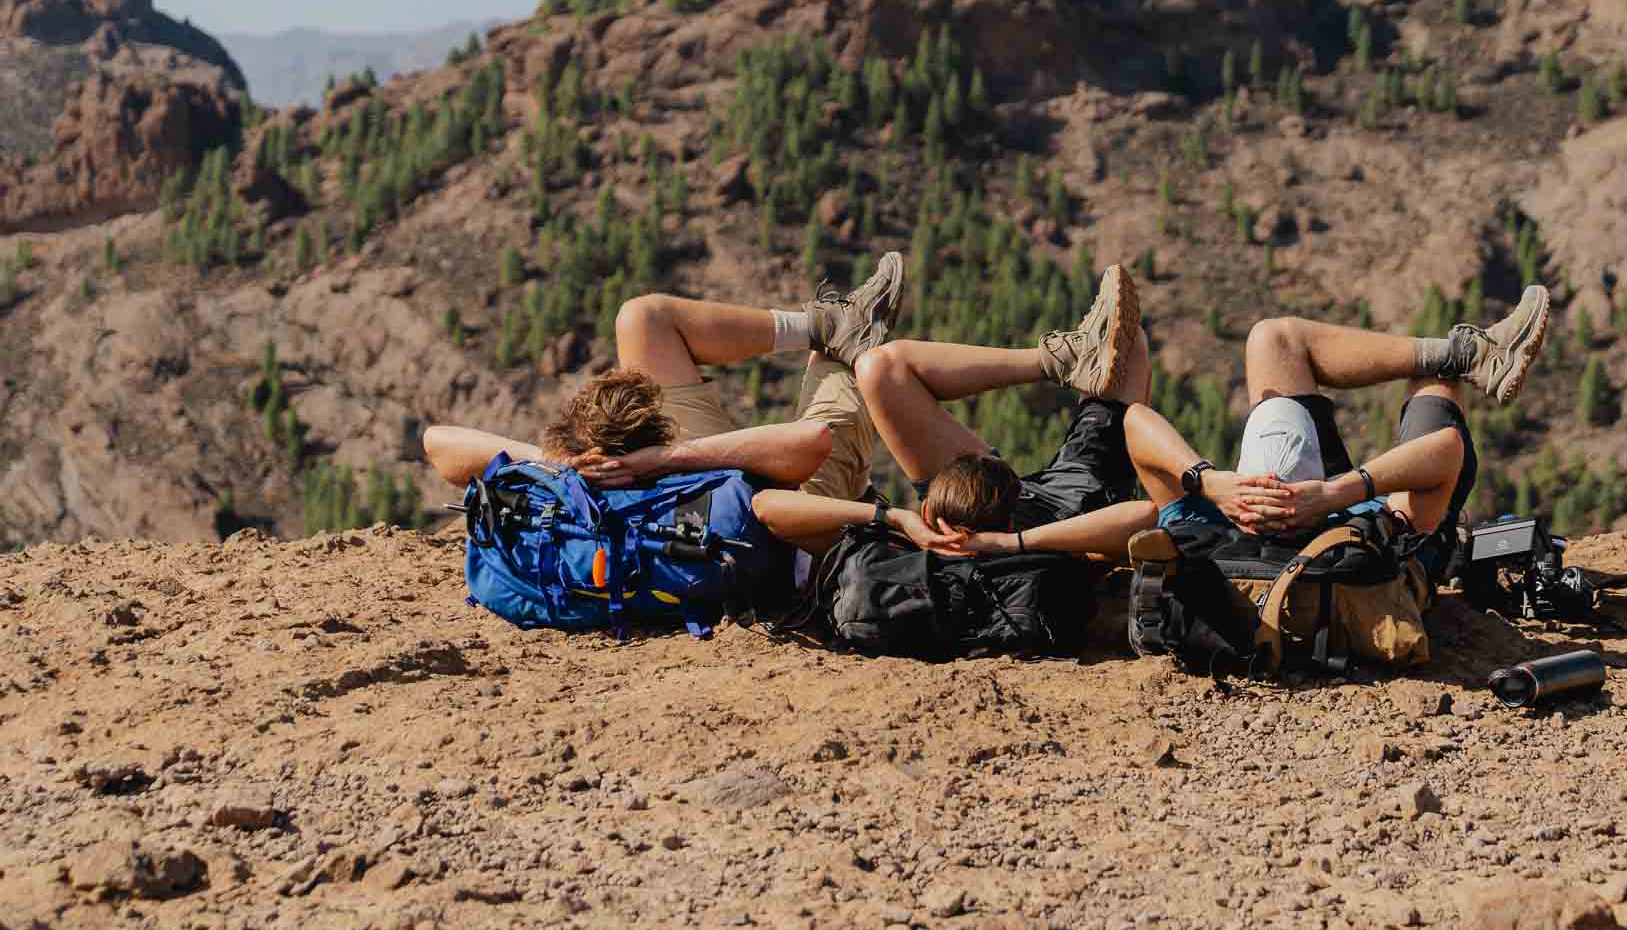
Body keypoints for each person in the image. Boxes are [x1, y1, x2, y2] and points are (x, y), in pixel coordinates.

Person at [420, 253, 941, 553]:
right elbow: (810, 443)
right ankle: (844, 342)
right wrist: (666, 460)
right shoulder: (672, 465)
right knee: (836, 368)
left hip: (663, 474)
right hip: (790, 509)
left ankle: (819, 323)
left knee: (641, 319)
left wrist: (558, 465)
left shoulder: (581, 480)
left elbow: (437, 443)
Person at [855, 262, 1288, 560]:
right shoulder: (1019, 562)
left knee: (878, 368)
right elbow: (1143, 515)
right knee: (1132, 345)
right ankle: (1065, 361)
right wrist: (1012, 544)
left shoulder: (938, 531)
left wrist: (908, 520)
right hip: (1074, 509)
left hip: (975, 502)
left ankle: (1056, 361)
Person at [1147, 286, 1553, 580]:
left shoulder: (1218, 522)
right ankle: (1464, 357)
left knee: (1272, 338)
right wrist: (1336, 493)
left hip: (1325, 499)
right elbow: (1446, 449)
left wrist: (1208, 481)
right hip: (1384, 512)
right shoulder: (1386, 536)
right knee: (1436, 382)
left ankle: (1468, 354)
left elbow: (1135, 423)